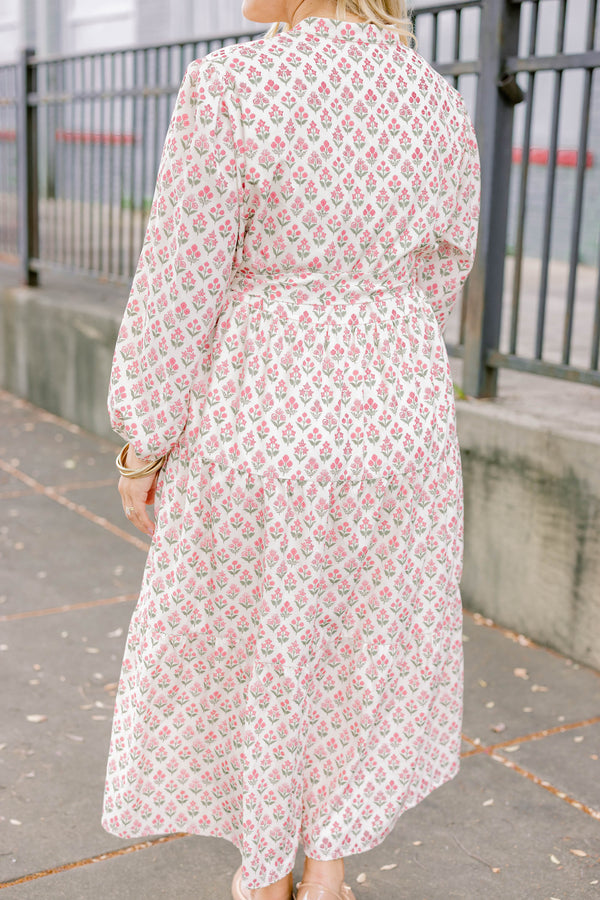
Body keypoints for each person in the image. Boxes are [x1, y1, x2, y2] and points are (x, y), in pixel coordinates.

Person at [102, 0, 481, 898]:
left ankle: (266, 871)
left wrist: (144, 440)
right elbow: (443, 275)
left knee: (264, 647)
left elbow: (178, 280)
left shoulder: (233, 88)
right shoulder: (433, 99)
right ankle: (327, 866)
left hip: (264, 412)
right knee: (359, 648)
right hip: (400, 419)